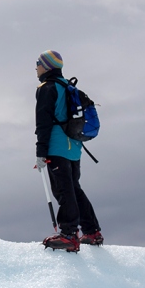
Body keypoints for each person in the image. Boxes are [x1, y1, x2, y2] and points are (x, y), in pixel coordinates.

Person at [35, 50, 102, 252]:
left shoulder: (48, 88)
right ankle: (92, 231)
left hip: (57, 145)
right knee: (73, 188)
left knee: (64, 191)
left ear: (46, 66)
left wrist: (41, 151)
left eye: (38, 64)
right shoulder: (68, 87)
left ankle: (68, 234)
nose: (36, 68)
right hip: (74, 147)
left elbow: (44, 122)